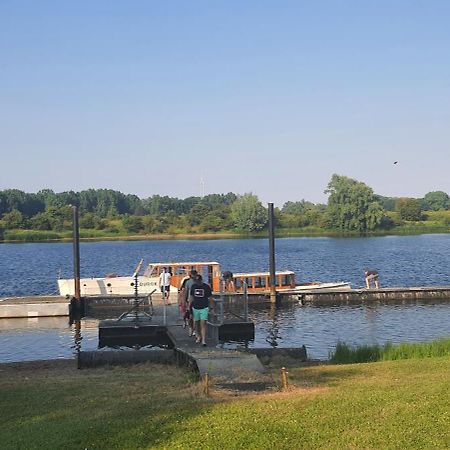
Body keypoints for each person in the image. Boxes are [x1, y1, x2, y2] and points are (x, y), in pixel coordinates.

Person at [189, 273, 212, 346]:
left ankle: (203, 340)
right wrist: (189, 306)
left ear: (201, 280)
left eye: (199, 281)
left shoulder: (206, 287)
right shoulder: (193, 286)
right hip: (195, 307)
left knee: (203, 323)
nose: (198, 282)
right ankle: (198, 336)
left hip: (204, 307)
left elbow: (210, 297)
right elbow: (191, 297)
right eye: (196, 281)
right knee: (196, 323)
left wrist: (211, 306)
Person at [178, 269, 197, 334]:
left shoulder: (198, 281)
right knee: (189, 316)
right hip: (189, 300)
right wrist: (183, 300)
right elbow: (184, 291)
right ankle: (191, 328)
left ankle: (193, 329)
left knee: (194, 316)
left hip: (194, 301)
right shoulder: (187, 281)